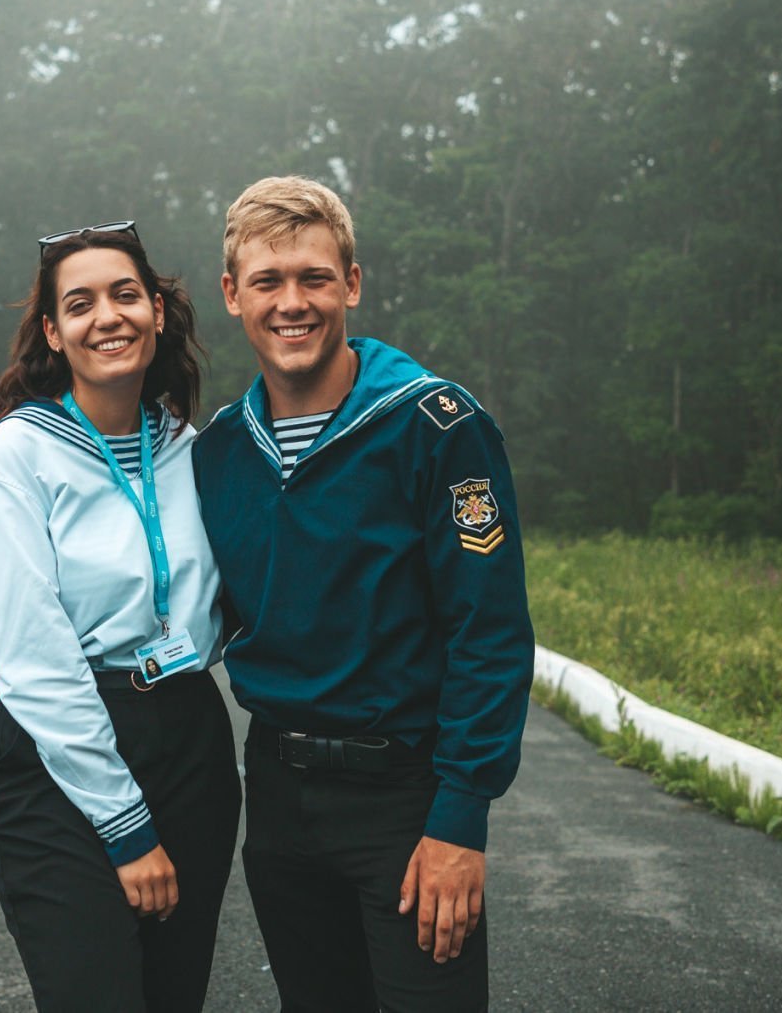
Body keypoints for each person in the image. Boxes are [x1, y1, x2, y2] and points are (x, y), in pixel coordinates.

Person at [193, 177, 536, 1012]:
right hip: (279, 801)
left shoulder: (435, 425)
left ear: (351, 283)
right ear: (233, 294)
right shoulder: (221, 451)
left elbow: (489, 631)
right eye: (268, 281)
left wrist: (461, 816)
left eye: (314, 277)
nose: (292, 302)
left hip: (406, 800)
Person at [0, 221, 240, 1012]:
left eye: (125, 295)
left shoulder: (187, 447)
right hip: (59, 753)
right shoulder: (17, 456)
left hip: (190, 739)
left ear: (156, 313)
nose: (107, 316)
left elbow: (234, 597)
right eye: (80, 304)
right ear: (53, 331)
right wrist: (126, 825)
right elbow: (32, 659)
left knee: (173, 995)